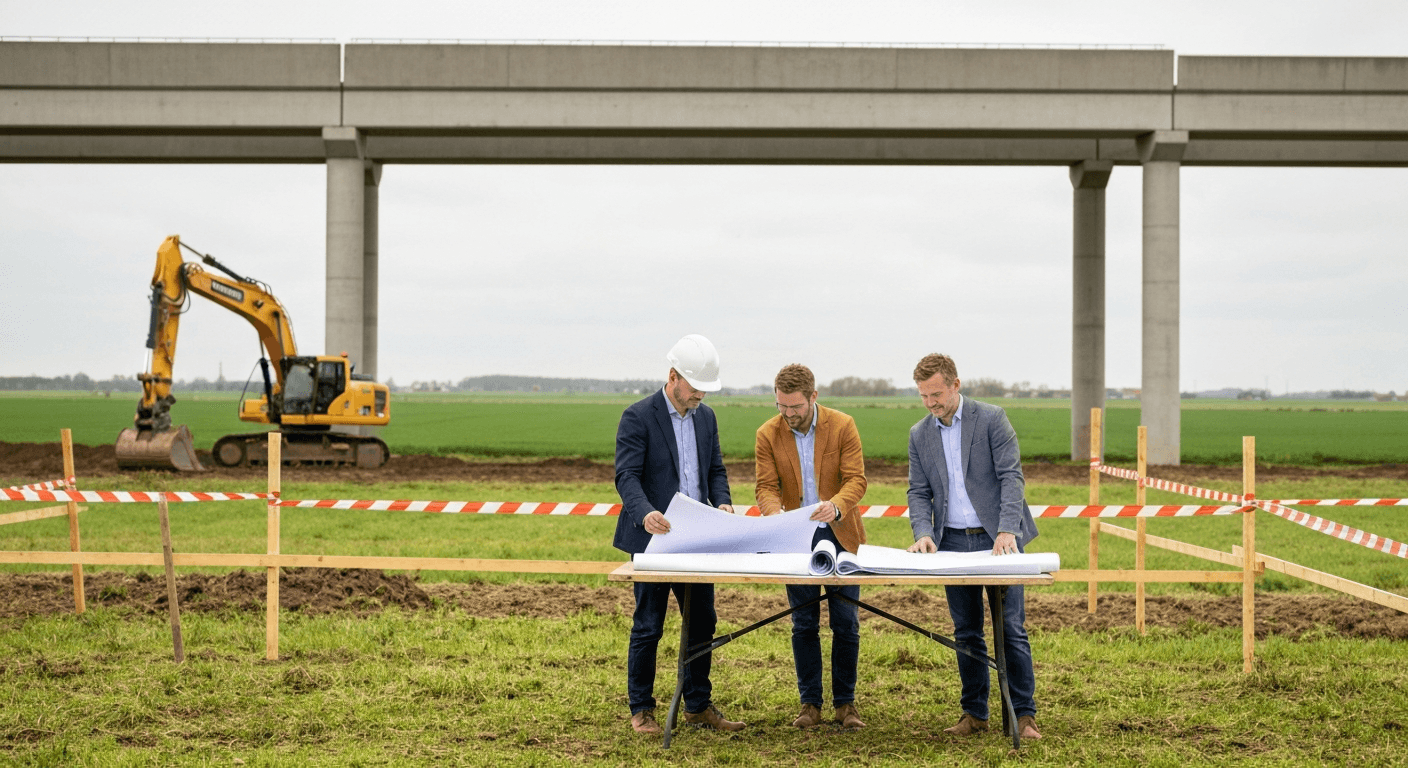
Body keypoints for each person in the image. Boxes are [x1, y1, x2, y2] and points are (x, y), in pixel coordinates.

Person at [905, 353, 1042, 741]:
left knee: (1010, 628)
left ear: (955, 384)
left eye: (936, 393)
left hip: (998, 540)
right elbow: (918, 491)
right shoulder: (920, 434)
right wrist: (923, 531)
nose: (931, 403)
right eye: (924, 396)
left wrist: (1006, 530)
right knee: (966, 631)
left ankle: (1024, 715)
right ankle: (975, 713)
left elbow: (1011, 478)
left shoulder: (992, 418)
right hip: (950, 543)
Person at [613, 334, 745, 735]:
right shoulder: (637, 416)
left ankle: (697, 705)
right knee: (649, 626)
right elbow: (627, 476)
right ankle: (642, 710)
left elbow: (715, 472)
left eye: (705, 389)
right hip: (653, 540)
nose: (700, 395)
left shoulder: (706, 418)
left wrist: (722, 502)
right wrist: (646, 513)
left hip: (698, 540)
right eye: (695, 387)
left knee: (703, 621)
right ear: (673, 377)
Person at [754, 364, 869, 729]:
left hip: (841, 534)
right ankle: (810, 705)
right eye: (781, 407)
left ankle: (845, 705)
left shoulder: (843, 425)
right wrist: (778, 516)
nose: (788, 416)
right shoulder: (767, 434)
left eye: (796, 408)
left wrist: (835, 506)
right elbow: (765, 488)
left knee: (846, 622)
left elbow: (856, 479)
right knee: (803, 623)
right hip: (795, 538)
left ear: (813, 397)